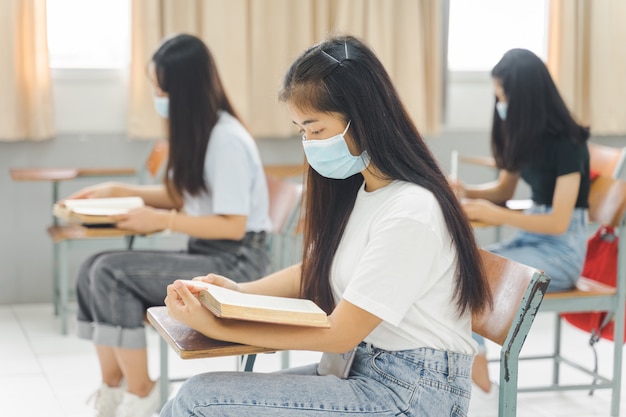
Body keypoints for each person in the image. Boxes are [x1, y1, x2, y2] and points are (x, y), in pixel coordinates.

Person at [159, 34, 492, 417]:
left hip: (412, 393)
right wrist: (236, 293)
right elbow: (315, 271)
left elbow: (339, 334)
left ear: (363, 119)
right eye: (302, 131)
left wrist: (221, 327)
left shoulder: (411, 210)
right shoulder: (362, 192)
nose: (309, 143)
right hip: (364, 369)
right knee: (193, 398)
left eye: (316, 130)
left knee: (198, 400)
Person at [72, 33, 272, 417]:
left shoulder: (226, 139)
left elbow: (232, 226)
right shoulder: (200, 133)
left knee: (111, 274)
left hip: (237, 263)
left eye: (161, 89)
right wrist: (120, 191)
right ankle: (114, 388)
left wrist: (162, 219)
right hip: (207, 253)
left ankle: (142, 392)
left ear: (185, 92)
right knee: (90, 269)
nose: (157, 97)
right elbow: (183, 196)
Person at [452, 48, 590, 412]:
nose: (500, 102)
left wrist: (497, 217)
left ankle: (478, 378)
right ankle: (475, 368)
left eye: (504, 94)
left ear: (525, 97)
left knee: (476, 273)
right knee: (462, 265)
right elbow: (504, 191)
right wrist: (468, 192)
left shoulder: (569, 145)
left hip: (561, 251)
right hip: (532, 239)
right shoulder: (525, 135)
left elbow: (559, 221)